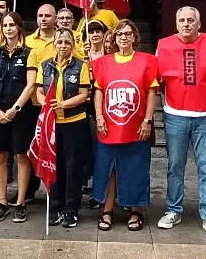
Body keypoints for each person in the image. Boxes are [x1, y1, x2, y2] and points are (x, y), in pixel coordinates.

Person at [155, 6, 206, 238]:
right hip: (175, 113)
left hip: (205, 114)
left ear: (199, 23)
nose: (186, 24)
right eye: (182, 20)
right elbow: (158, 80)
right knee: (175, 166)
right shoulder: (163, 45)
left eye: (191, 20)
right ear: (176, 24)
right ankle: (173, 210)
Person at [92, 19, 158, 231]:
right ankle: (107, 209)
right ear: (114, 38)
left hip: (137, 125)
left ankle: (136, 210)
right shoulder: (103, 62)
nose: (124, 37)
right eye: (120, 34)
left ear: (135, 37)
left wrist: (148, 120)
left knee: (136, 169)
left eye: (128, 34)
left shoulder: (147, 61)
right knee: (109, 169)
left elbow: (151, 92)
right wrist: (100, 117)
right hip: (109, 125)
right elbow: (99, 91)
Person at [0, 11, 37, 223]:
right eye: (5, 25)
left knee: (22, 156)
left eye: (12, 25)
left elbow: (31, 84)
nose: (8, 29)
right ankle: (3, 201)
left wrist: (15, 109)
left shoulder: (29, 53)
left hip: (21, 112)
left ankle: (20, 202)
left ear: (19, 28)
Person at [36, 27, 91, 228]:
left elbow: (84, 94)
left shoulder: (80, 66)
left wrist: (63, 105)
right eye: (59, 42)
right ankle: (55, 206)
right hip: (52, 124)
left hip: (74, 122)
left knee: (72, 167)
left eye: (67, 42)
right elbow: (39, 91)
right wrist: (45, 103)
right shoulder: (45, 66)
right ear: (54, 44)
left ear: (73, 45)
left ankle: (71, 209)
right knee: (53, 165)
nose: (63, 46)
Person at [83, 19, 109, 208]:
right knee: (88, 150)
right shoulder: (82, 55)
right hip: (86, 108)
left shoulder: (110, 54)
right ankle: (90, 186)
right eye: (91, 31)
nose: (94, 34)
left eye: (98, 31)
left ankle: (104, 191)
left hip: (107, 107)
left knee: (103, 152)